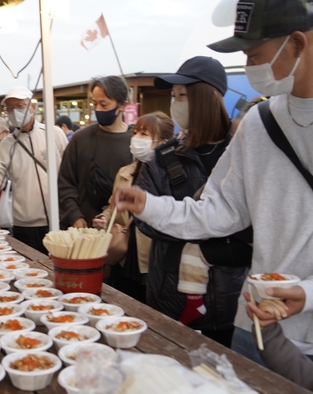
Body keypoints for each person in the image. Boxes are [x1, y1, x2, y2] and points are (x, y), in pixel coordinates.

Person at [113, 0, 313, 371]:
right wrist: (149, 204)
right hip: (255, 330)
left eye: (254, 54)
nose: (248, 67)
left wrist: (312, 293)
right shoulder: (260, 122)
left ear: (297, 43)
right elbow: (220, 210)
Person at [131, 56, 252, 348]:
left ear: (209, 97)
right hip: (169, 291)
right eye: (173, 96)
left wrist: (194, 223)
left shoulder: (244, 149)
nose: (176, 103)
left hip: (233, 295)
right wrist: (212, 229)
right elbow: (143, 219)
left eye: (183, 95)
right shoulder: (162, 157)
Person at [0, 86, 68, 253]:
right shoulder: (7, 143)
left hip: (59, 219)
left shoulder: (54, 134)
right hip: (25, 224)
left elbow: (69, 173)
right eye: (9, 108)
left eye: (20, 105)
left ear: (33, 107)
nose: (14, 111)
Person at [93, 112, 175, 303]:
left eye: (144, 134)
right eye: (135, 132)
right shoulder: (125, 172)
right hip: (124, 252)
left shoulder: (170, 178)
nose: (137, 138)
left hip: (152, 257)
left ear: (163, 142)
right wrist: (104, 218)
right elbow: (114, 207)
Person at [59, 75, 134, 229]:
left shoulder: (134, 143)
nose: (98, 109)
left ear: (122, 105)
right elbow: (65, 183)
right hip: (82, 233)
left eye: (104, 104)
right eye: (95, 104)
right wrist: (75, 216)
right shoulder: (80, 138)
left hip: (119, 234)